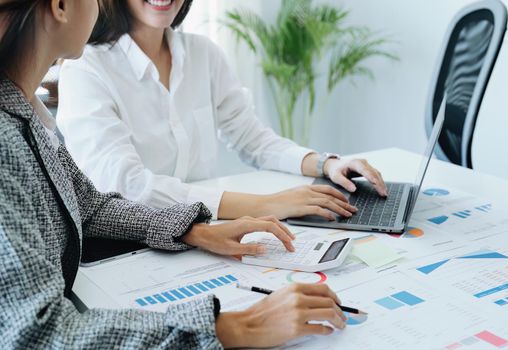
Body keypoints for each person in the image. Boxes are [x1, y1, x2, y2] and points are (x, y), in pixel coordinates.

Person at [0, 0, 347, 348]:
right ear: (60, 6)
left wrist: (191, 231)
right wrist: (242, 326)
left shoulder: (28, 114)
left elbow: (89, 206)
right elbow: (38, 334)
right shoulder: (7, 140)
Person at [56, 0, 388, 221]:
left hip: (207, 232)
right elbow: (127, 187)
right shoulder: (86, 68)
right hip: (130, 246)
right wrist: (266, 205)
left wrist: (327, 164)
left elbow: (253, 139)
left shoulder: (203, 54)